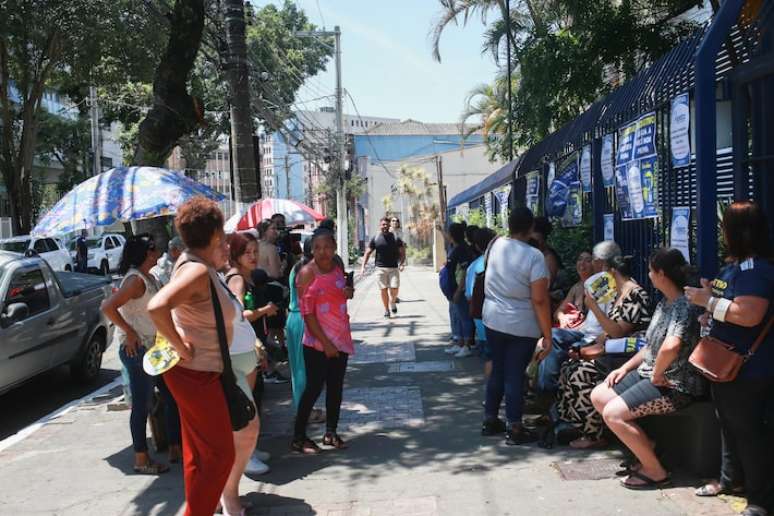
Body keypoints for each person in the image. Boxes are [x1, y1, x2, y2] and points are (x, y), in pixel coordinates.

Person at [147, 197, 237, 516]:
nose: (226, 241)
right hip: (194, 373)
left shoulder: (196, 264)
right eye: (223, 235)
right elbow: (157, 306)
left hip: (196, 372)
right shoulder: (197, 270)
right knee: (221, 455)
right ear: (213, 235)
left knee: (199, 456)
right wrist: (181, 345)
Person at [684, 201, 773, 516]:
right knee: (729, 425)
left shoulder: (755, 270)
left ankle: (760, 499)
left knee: (747, 431)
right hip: (724, 363)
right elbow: (727, 308)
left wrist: (708, 300)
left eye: (726, 225)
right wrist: (710, 305)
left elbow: (749, 315)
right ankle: (729, 480)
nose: (721, 230)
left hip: (748, 368)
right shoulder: (733, 266)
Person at [590, 248, 705, 490]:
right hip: (651, 374)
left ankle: (656, 472)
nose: (649, 276)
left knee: (612, 413)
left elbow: (671, 346)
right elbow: (651, 346)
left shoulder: (684, 305)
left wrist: (657, 373)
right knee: (599, 395)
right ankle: (647, 448)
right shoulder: (665, 303)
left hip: (675, 384)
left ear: (661, 274)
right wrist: (624, 368)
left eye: (651, 271)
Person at [101, 234, 181, 474]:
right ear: (148, 252)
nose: (159, 250)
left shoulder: (151, 276)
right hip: (139, 351)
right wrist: (129, 332)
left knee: (171, 396)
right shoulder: (135, 281)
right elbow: (107, 307)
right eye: (155, 247)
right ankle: (141, 459)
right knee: (142, 405)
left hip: (156, 349)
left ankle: (175, 445)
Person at [554, 253, 652, 449]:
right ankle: (574, 424)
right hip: (611, 349)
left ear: (613, 272)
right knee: (568, 366)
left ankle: (592, 433)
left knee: (580, 373)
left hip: (626, 354)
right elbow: (607, 332)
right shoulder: (618, 293)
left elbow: (617, 332)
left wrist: (594, 307)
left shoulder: (635, 294)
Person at [481, 207, 552, 444]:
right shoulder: (534, 256)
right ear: (531, 228)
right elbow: (540, 299)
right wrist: (547, 333)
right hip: (520, 323)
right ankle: (515, 427)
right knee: (514, 375)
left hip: (492, 318)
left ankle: (490, 419)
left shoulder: (495, 244)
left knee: (498, 370)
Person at [292, 229, 355, 454]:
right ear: (311, 250)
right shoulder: (307, 273)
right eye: (317, 248)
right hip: (317, 343)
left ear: (335, 247)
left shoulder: (337, 268)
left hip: (341, 339)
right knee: (313, 389)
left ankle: (331, 432)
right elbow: (307, 313)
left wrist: (348, 291)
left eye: (327, 246)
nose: (323, 252)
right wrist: (325, 343)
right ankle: (298, 437)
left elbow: (339, 294)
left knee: (336, 388)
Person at [224, 233, 279, 481]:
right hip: (239, 351)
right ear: (235, 254)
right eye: (248, 252)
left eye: (255, 251)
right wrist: (264, 311)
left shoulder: (243, 277)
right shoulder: (236, 279)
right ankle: (244, 457)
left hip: (247, 349)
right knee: (246, 407)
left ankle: (250, 450)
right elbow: (237, 315)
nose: (254, 256)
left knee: (252, 403)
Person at [535, 245, 614, 395]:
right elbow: (559, 312)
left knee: (552, 340)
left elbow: (604, 320)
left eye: (588, 260)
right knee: (548, 339)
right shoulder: (577, 287)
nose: (582, 264)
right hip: (578, 330)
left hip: (588, 335)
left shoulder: (603, 284)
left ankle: (545, 392)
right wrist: (563, 317)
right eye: (580, 260)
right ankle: (542, 390)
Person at [465, 227, 497, 376]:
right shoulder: (505, 263)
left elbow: (470, 296)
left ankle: (492, 396)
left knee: (491, 361)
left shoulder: (474, 266)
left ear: (477, 246)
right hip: (507, 322)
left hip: (483, 324)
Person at [361, 217, 406, 318]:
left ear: (389, 225)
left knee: (395, 288)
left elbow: (402, 252)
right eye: (383, 225)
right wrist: (363, 266)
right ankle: (386, 310)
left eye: (386, 224)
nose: (385, 226)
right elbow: (368, 252)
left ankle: (393, 301)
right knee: (383, 289)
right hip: (380, 269)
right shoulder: (376, 238)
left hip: (393, 268)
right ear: (380, 225)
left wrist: (402, 263)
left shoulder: (395, 238)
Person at [444, 222, 476, 357]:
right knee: (459, 317)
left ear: (451, 235)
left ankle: (467, 346)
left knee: (465, 317)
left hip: (460, 290)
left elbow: (464, 271)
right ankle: (460, 343)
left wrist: (458, 290)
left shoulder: (461, 249)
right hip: (454, 289)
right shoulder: (457, 247)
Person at [389, 216, 407, 303]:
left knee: (394, 280)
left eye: (396, 221)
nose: (395, 222)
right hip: (388, 257)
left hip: (397, 257)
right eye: (393, 221)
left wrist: (403, 263)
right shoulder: (387, 231)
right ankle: (393, 297)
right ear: (390, 222)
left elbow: (402, 246)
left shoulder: (400, 232)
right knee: (390, 279)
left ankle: (394, 296)